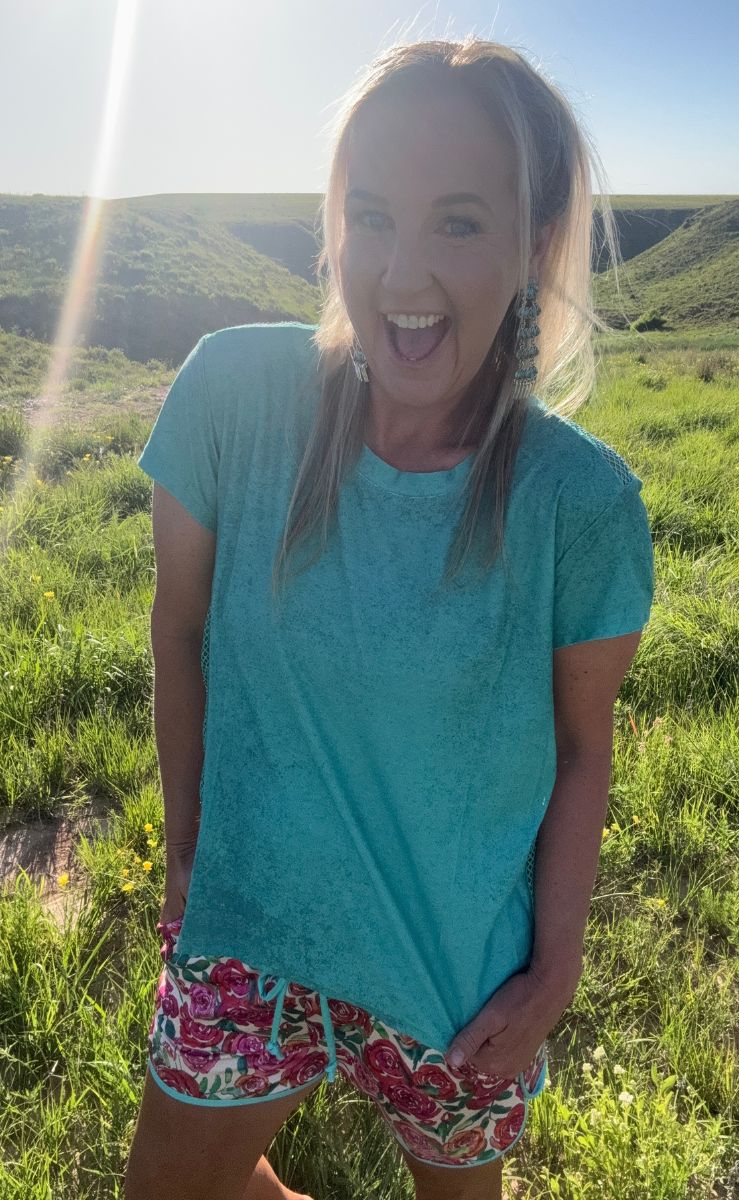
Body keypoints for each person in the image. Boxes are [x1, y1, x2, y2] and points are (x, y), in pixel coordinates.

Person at [124, 36, 655, 1200]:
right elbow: (179, 631)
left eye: (456, 223)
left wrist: (554, 972)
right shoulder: (231, 398)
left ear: (532, 241)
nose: (400, 274)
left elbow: (580, 746)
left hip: (457, 988)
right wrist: (187, 844)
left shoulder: (579, 503)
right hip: (247, 929)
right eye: (371, 216)